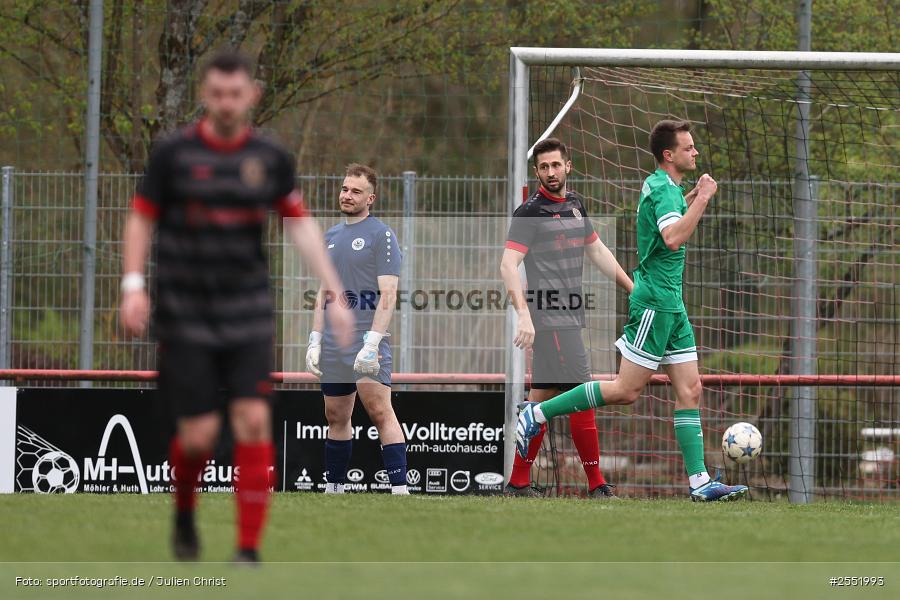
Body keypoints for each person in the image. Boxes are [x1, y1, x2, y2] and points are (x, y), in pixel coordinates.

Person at [119, 49, 354, 563]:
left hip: (247, 310)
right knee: (199, 436)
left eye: (236, 93)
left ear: (252, 95)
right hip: (185, 312)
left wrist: (332, 289)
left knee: (252, 419)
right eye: (217, 93)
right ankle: (184, 513)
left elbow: (299, 223)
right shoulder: (173, 155)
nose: (226, 103)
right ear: (206, 94)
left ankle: (247, 551)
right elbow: (140, 218)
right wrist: (132, 284)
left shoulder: (269, 158)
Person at [515, 121, 749, 502]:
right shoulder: (662, 189)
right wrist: (703, 197)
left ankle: (700, 482)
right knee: (626, 390)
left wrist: (689, 198)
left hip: (673, 305)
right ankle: (535, 415)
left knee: (690, 389)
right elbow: (672, 238)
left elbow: (665, 224)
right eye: (689, 148)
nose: (696, 153)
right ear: (669, 155)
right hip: (656, 303)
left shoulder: (666, 188)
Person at [500, 137, 633, 498]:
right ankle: (596, 485)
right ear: (537, 171)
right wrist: (523, 315)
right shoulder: (529, 212)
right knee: (581, 393)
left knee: (540, 399)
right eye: (543, 167)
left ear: (568, 165)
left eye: (556, 165)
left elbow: (596, 249)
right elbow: (508, 265)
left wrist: (630, 286)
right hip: (551, 316)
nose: (550, 172)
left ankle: (517, 482)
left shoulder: (575, 204)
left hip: (569, 315)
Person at [305, 164, 409, 495]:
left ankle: (400, 490)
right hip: (334, 345)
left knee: (380, 411)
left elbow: (389, 294)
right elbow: (323, 292)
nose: (347, 196)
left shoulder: (383, 235)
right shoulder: (330, 236)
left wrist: (372, 342)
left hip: (367, 341)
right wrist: (315, 340)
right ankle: (334, 489)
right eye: (345, 189)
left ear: (371, 198)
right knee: (335, 416)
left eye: (356, 191)